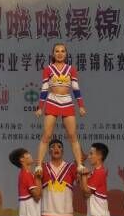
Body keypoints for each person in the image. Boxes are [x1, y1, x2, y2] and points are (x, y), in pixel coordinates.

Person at [35, 43, 87, 173]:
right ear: (53, 54)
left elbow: (76, 89)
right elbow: (44, 89)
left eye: (62, 51)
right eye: (57, 51)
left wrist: (81, 106)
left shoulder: (71, 69)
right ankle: (39, 165)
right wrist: (40, 107)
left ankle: (80, 165)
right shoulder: (48, 69)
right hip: (52, 101)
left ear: (66, 54)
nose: (60, 53)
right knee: (47, 135)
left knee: (72, 135)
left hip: (67, 102)